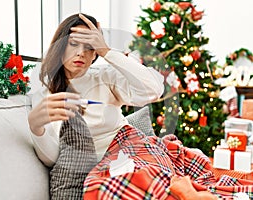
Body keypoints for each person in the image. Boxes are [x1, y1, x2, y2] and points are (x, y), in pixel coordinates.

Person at [28, 13, 164, 199]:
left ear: (94, 55)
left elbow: (153, 90)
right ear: (60, 48)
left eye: (90, 47)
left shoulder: (105, 76)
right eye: (74, 44)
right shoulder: (44, 95)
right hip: (98, 173)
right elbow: (53, 159)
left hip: (130, 154)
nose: (81, 53)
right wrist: (36, 127)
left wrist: (107, 51)